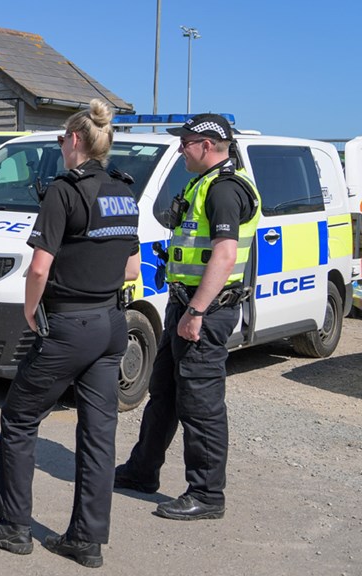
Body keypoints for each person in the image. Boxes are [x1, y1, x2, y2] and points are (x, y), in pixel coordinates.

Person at [0, 99, 141, 569]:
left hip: (68, 325)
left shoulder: (64, 192)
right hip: (110, 326)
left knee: (20, 417)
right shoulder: (125, 192)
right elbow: (131, 266)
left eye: (63, 138)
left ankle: (12, 525)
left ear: (75, 141)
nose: (61, 145)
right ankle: (86, 540)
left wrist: (30, 311)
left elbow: (39, 267)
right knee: (98, 435)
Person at [114, 113, 261, 522]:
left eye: (186, 142)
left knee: (201, 405)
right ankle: (142, 471)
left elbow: (226, 254)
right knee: (164, 393)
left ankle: (208, 494)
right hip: (185, 304)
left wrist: (196, 311)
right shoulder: (204, 184)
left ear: (208, 145)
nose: (181, 149)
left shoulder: (225, 189)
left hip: (205, 311)